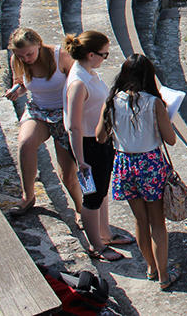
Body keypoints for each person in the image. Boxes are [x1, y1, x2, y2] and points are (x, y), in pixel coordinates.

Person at [96, 54, 178, 289]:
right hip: (149, 164)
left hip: (124, 163)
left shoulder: (111, 101)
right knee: (157, 223)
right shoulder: (154, 103)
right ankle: (164, 275)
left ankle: (151, 267)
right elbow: (170, 139)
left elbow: (99, 136)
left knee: (140, 221)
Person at [64, 31, 130, 261]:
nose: (105, 58)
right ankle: (97, 246)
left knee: (101, 191)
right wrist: (80, 159)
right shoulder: (79, 82)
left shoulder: (88, 73)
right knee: (92, 196)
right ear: (91, 54)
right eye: (104, 54)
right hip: (88, 145)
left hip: (99, 140)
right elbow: (73, 126)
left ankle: (106, 234)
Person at [5, 27, 82, 218]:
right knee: (25, 143)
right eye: (21, 56)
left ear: (39, 44)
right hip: (38, 109)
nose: (26, 59)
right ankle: (28, 196)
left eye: (29, 54)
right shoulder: (17, 60)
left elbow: (79, 83)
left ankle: (82, 210)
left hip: (64, 112)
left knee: (67, 173)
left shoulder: (60, 56)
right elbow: (22, 85)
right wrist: (16, 90)